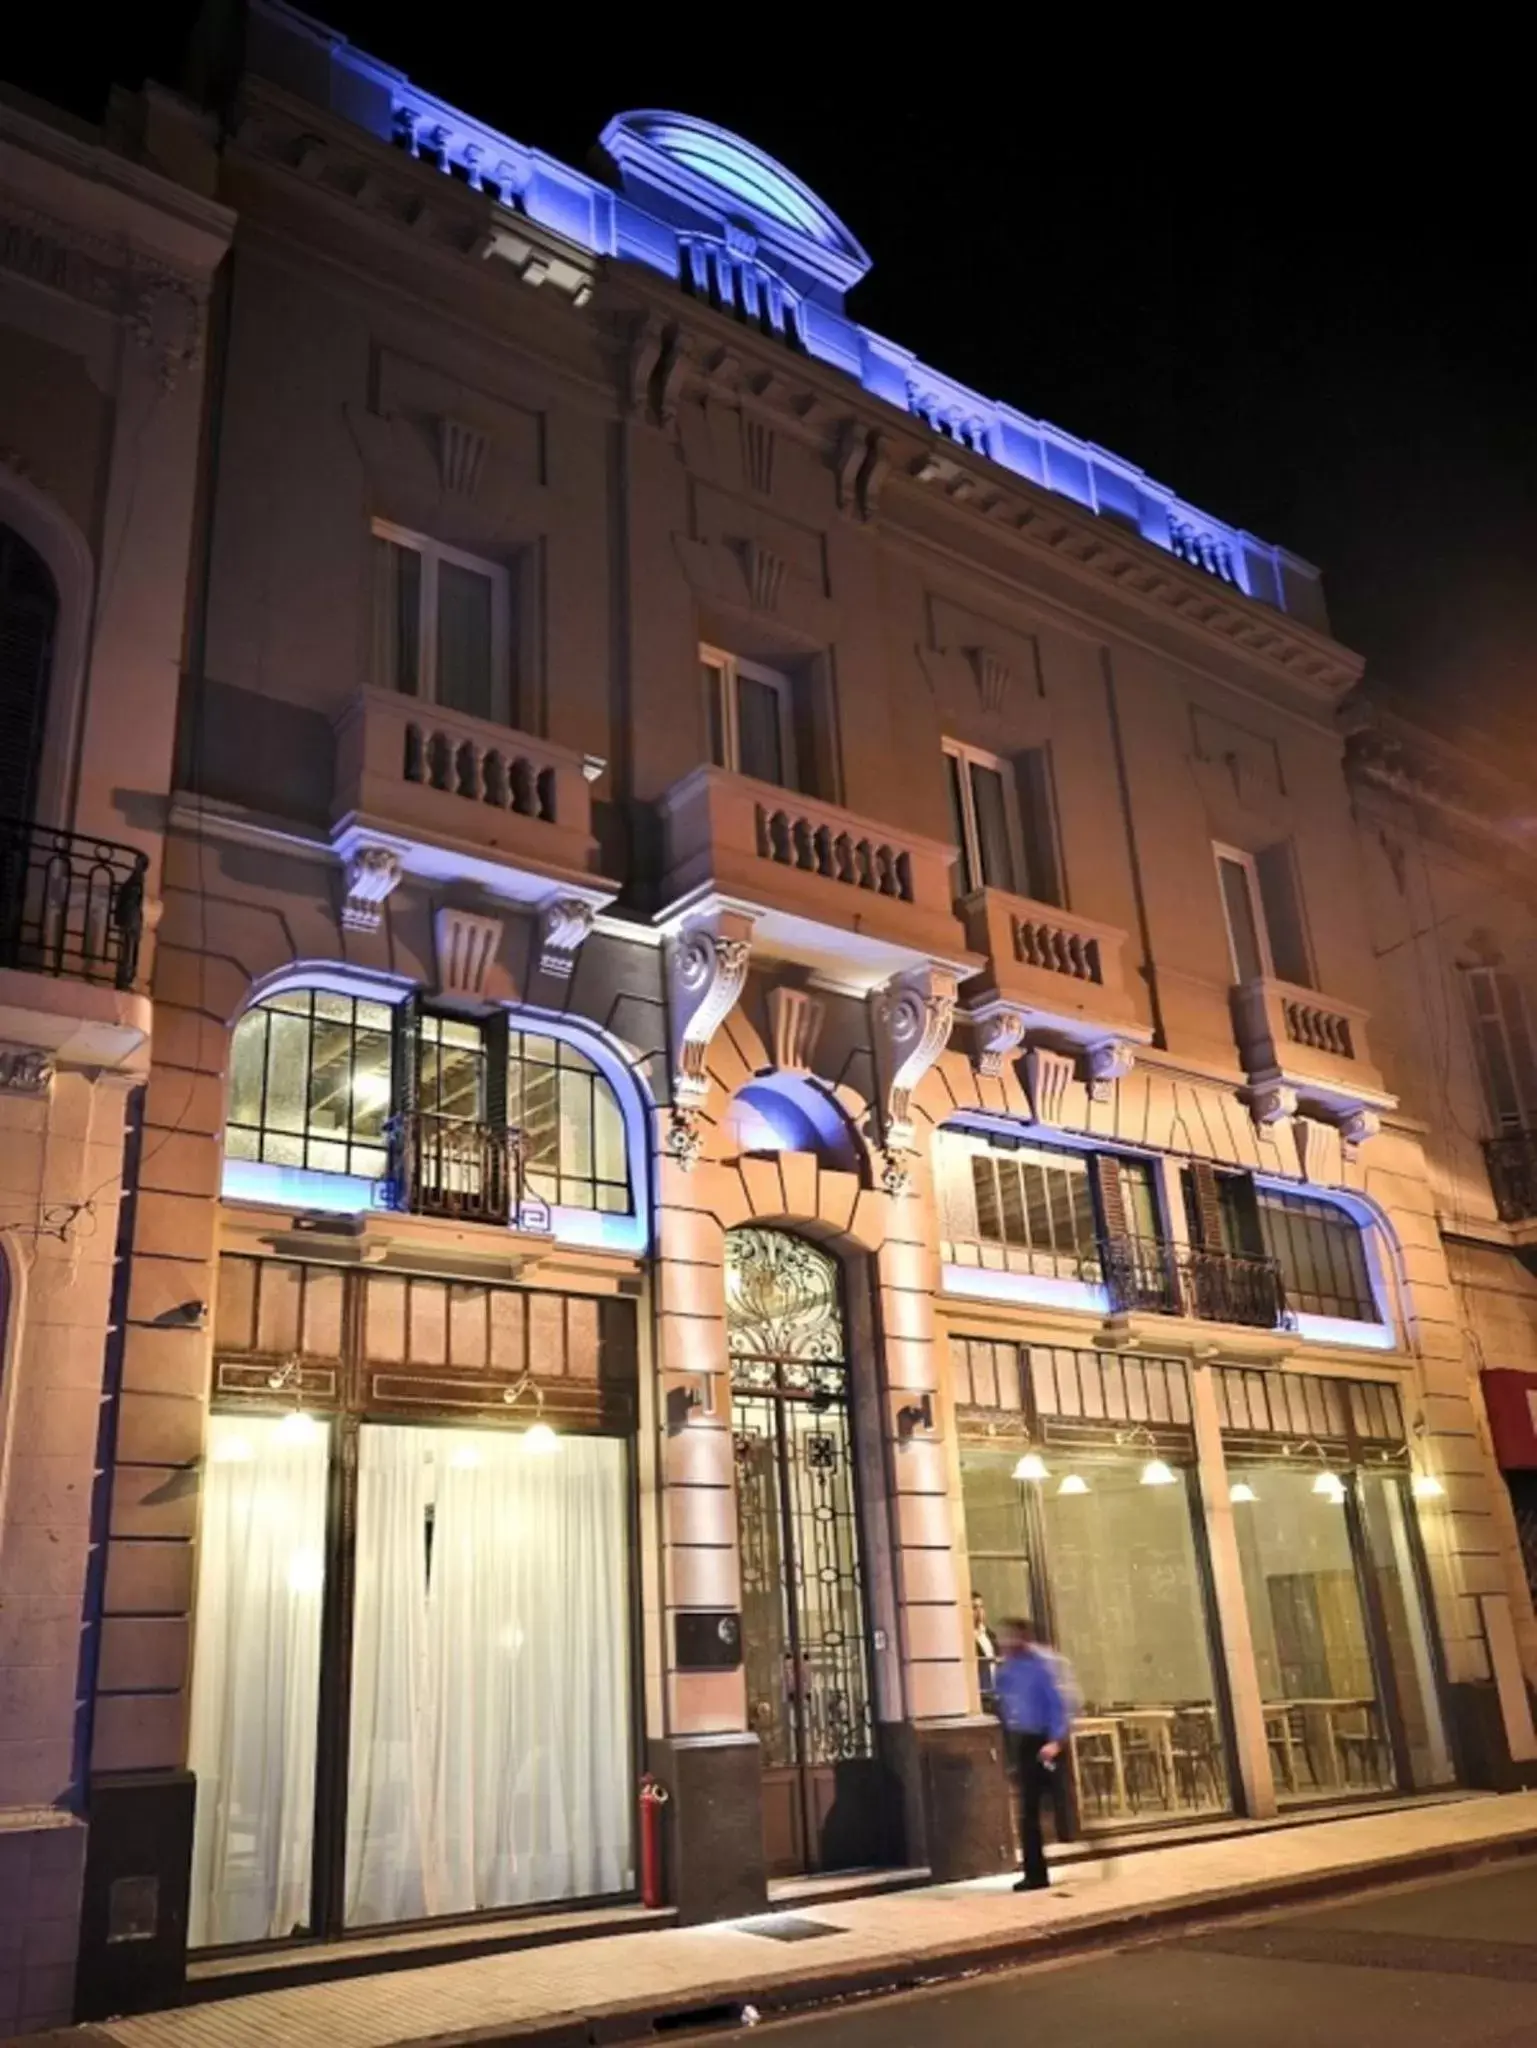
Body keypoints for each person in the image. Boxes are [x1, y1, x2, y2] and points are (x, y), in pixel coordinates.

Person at [994, 1617, 1070, 1891]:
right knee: (1030, 1808)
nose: (1005, 1642)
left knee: (1029, 1810)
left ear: (1023, 1637)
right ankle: (1035, 1870)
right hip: (1021, 1741)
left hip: (1042, 1741)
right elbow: (1002, 1699)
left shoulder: (1042, 1665)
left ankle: (1036, 1875)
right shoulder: (1007, 1669)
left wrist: (1055, 1741)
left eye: (1010, 1637)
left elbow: (1058, 1704)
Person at [972, 1591, 998, 1705]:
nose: (979, 1612)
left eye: (981, 1607)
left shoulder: (990, 1635)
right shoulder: (964, 1638)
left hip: (995, 1692)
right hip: (980, 1695)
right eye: (974, 1608)